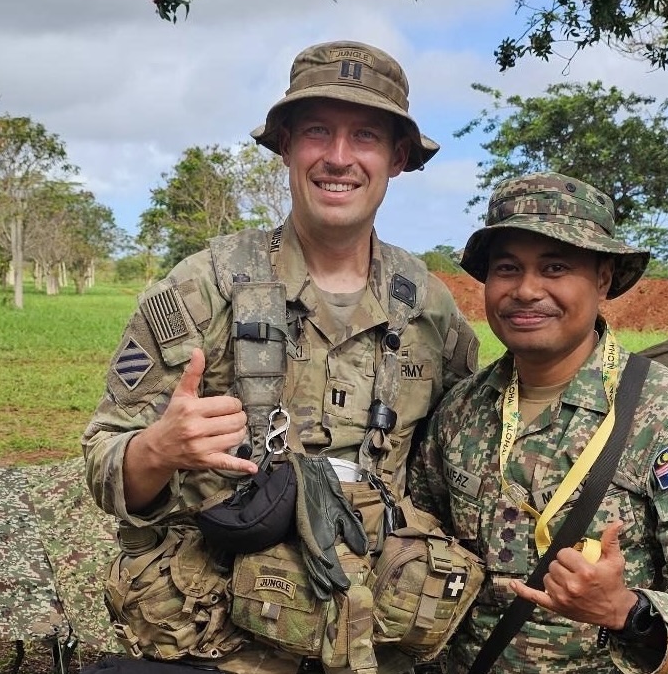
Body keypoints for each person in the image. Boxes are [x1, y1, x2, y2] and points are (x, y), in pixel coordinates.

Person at [82, 40, 478, 674]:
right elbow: (105, 462)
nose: (339, 158)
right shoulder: (201, 288)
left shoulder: (434, 313)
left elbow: (455, 471)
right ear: (288, 146)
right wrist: (156, 450)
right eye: (318, 131)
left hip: (375, 641)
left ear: (398, 157)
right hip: (217, 642)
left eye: (366, 136)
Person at [408, 172, 668, 674]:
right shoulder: (459, 411)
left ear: (601, 279)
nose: (527, 290)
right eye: (507, 268)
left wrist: (626, 612)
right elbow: (422, 539)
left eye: (555, 267)